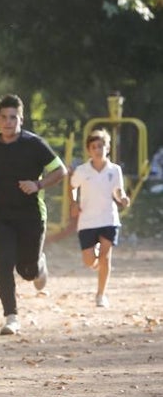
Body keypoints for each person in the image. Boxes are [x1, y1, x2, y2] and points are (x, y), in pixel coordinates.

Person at [0, 93, 66, 336]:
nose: (8, 122)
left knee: (28, 272)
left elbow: (60, 170)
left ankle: (38, 265)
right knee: (3, 263)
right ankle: (11, 317)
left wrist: (37, 185)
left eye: (13, 117)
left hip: (30, 214)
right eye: (3, 117)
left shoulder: (34, 144)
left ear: (21, 119)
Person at [70, 129, 131, 308]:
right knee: (90, 261)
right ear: (89, 150)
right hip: (87, 220)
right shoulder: (82, 170)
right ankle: (95, 263)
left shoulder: (115, 170)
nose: (98, 150)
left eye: (101, 146)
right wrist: (73, 203)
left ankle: (101, 295)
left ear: (108, 148)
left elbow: (118, 190)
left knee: (105, 258)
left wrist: (123, 198)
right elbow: (72, 186)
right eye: (94, 147)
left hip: (108, 219)